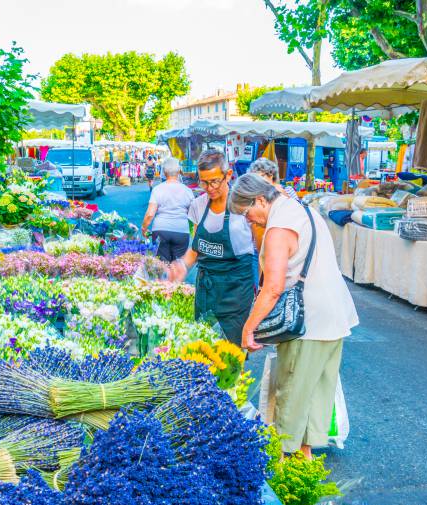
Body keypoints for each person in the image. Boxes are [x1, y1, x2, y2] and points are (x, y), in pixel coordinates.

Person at [229, 173, 358, 459]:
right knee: (315, 393)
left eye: (246, 213)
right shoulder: (303, 209)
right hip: (334, 315)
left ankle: (285, 464)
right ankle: (305, 459)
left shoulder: (279, 228)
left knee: (293, 395)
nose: (248, 221)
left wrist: (248, 329)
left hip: (307, 321)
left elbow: (273, 288)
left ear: (260, 200)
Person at [169, 149, 256, 346]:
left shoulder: (244, 206)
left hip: (235, 292)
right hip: (206, 290)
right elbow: (196, 247)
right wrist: (182, 266)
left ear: (229, 175)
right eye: (203, 182)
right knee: (203, 346)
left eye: (214, 181)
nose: (208, 188)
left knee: (230, 352)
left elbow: (261, 251)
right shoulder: (198, 205)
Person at [141, 158, 195, 262]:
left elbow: (150, 214)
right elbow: (193, 214)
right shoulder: (187, 191)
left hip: (161, 231)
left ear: (164, 172)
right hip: (181, 232)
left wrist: (144, 228)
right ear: (179, 171)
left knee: (161, 267)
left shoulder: (157, 189)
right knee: (177, 266)